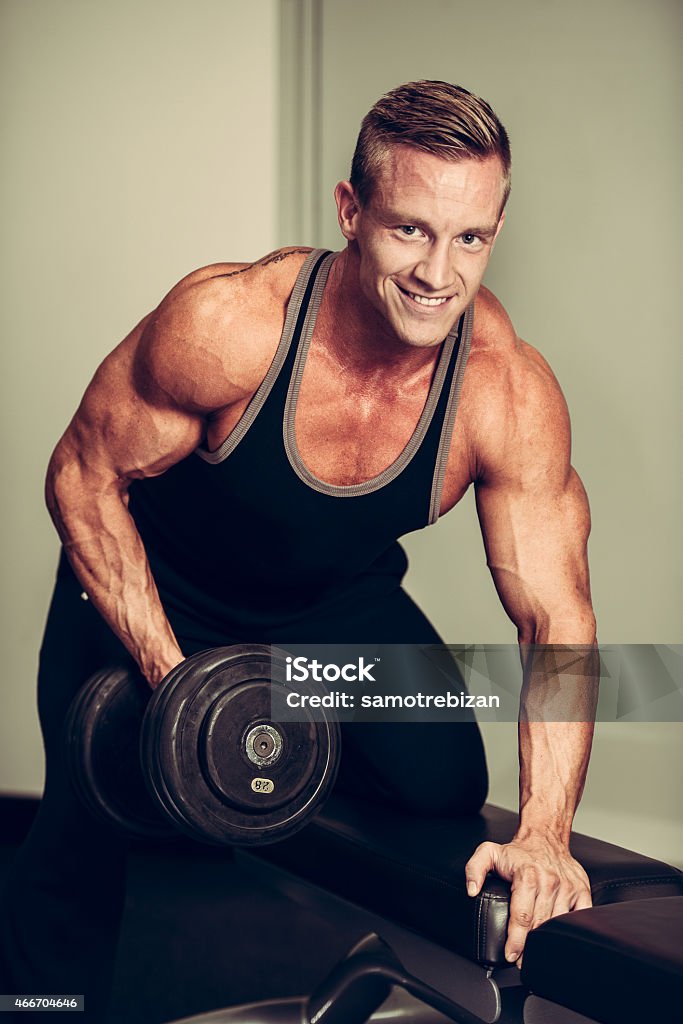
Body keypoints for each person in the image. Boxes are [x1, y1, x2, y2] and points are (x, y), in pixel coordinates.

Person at [0, 80, 597, 1019]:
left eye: (470, 237)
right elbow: (81, 477)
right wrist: (176, 678)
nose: (438, 273)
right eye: (409, 229)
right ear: (351, 212)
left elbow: (553, 618)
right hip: (162, 588)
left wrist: (545, 836)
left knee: (441, 783)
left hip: (327, 611)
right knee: (81, 831)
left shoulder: (503, 394)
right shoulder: (229, 327)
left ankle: (289, 870)